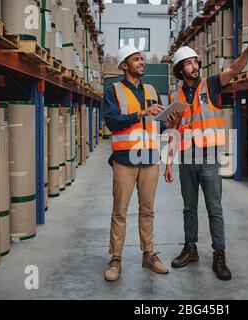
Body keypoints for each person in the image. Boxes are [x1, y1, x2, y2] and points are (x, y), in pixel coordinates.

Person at [164, 31, 248, 280]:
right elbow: (174, 132)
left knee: (214, 208)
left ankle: (219, 254)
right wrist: (168, 162)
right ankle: (190, 248)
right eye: (189, 63)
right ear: (179, 69)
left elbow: (233, 69)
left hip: (209, 155)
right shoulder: (175, 97)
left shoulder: (212, 84)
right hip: (186, 158)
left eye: (196, 61)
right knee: (189, 207)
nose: (195, 66)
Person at [103, 45, 168, 281]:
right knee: (120, 212)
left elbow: (156, 125)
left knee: (147, 211)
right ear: (124, 65)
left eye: (142, 59)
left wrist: (168, 120)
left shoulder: (152, 89)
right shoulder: (114, 91)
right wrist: (141, 113)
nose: (141, 62)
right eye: (136, 59)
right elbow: (112, 122)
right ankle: (115, 258)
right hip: (125, 160)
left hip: (150, 159)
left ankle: (148, 255)